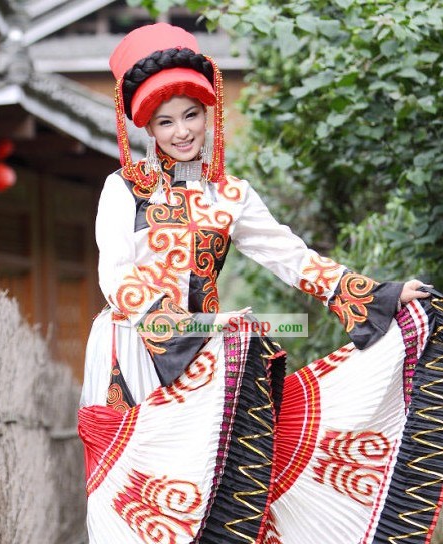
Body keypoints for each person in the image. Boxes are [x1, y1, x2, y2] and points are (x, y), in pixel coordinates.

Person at [78, 23, 443, 544]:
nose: (181, 131)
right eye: (165, 121)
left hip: (205, 353)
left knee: (207, 489)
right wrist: (190, 323)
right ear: (147, 129)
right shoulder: (123, 188)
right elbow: (116, 275)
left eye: (191, 115)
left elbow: (291, 257)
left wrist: (378, 294)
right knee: (136, 497)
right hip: (132, 347)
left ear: (209, 115)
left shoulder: (231, 195)